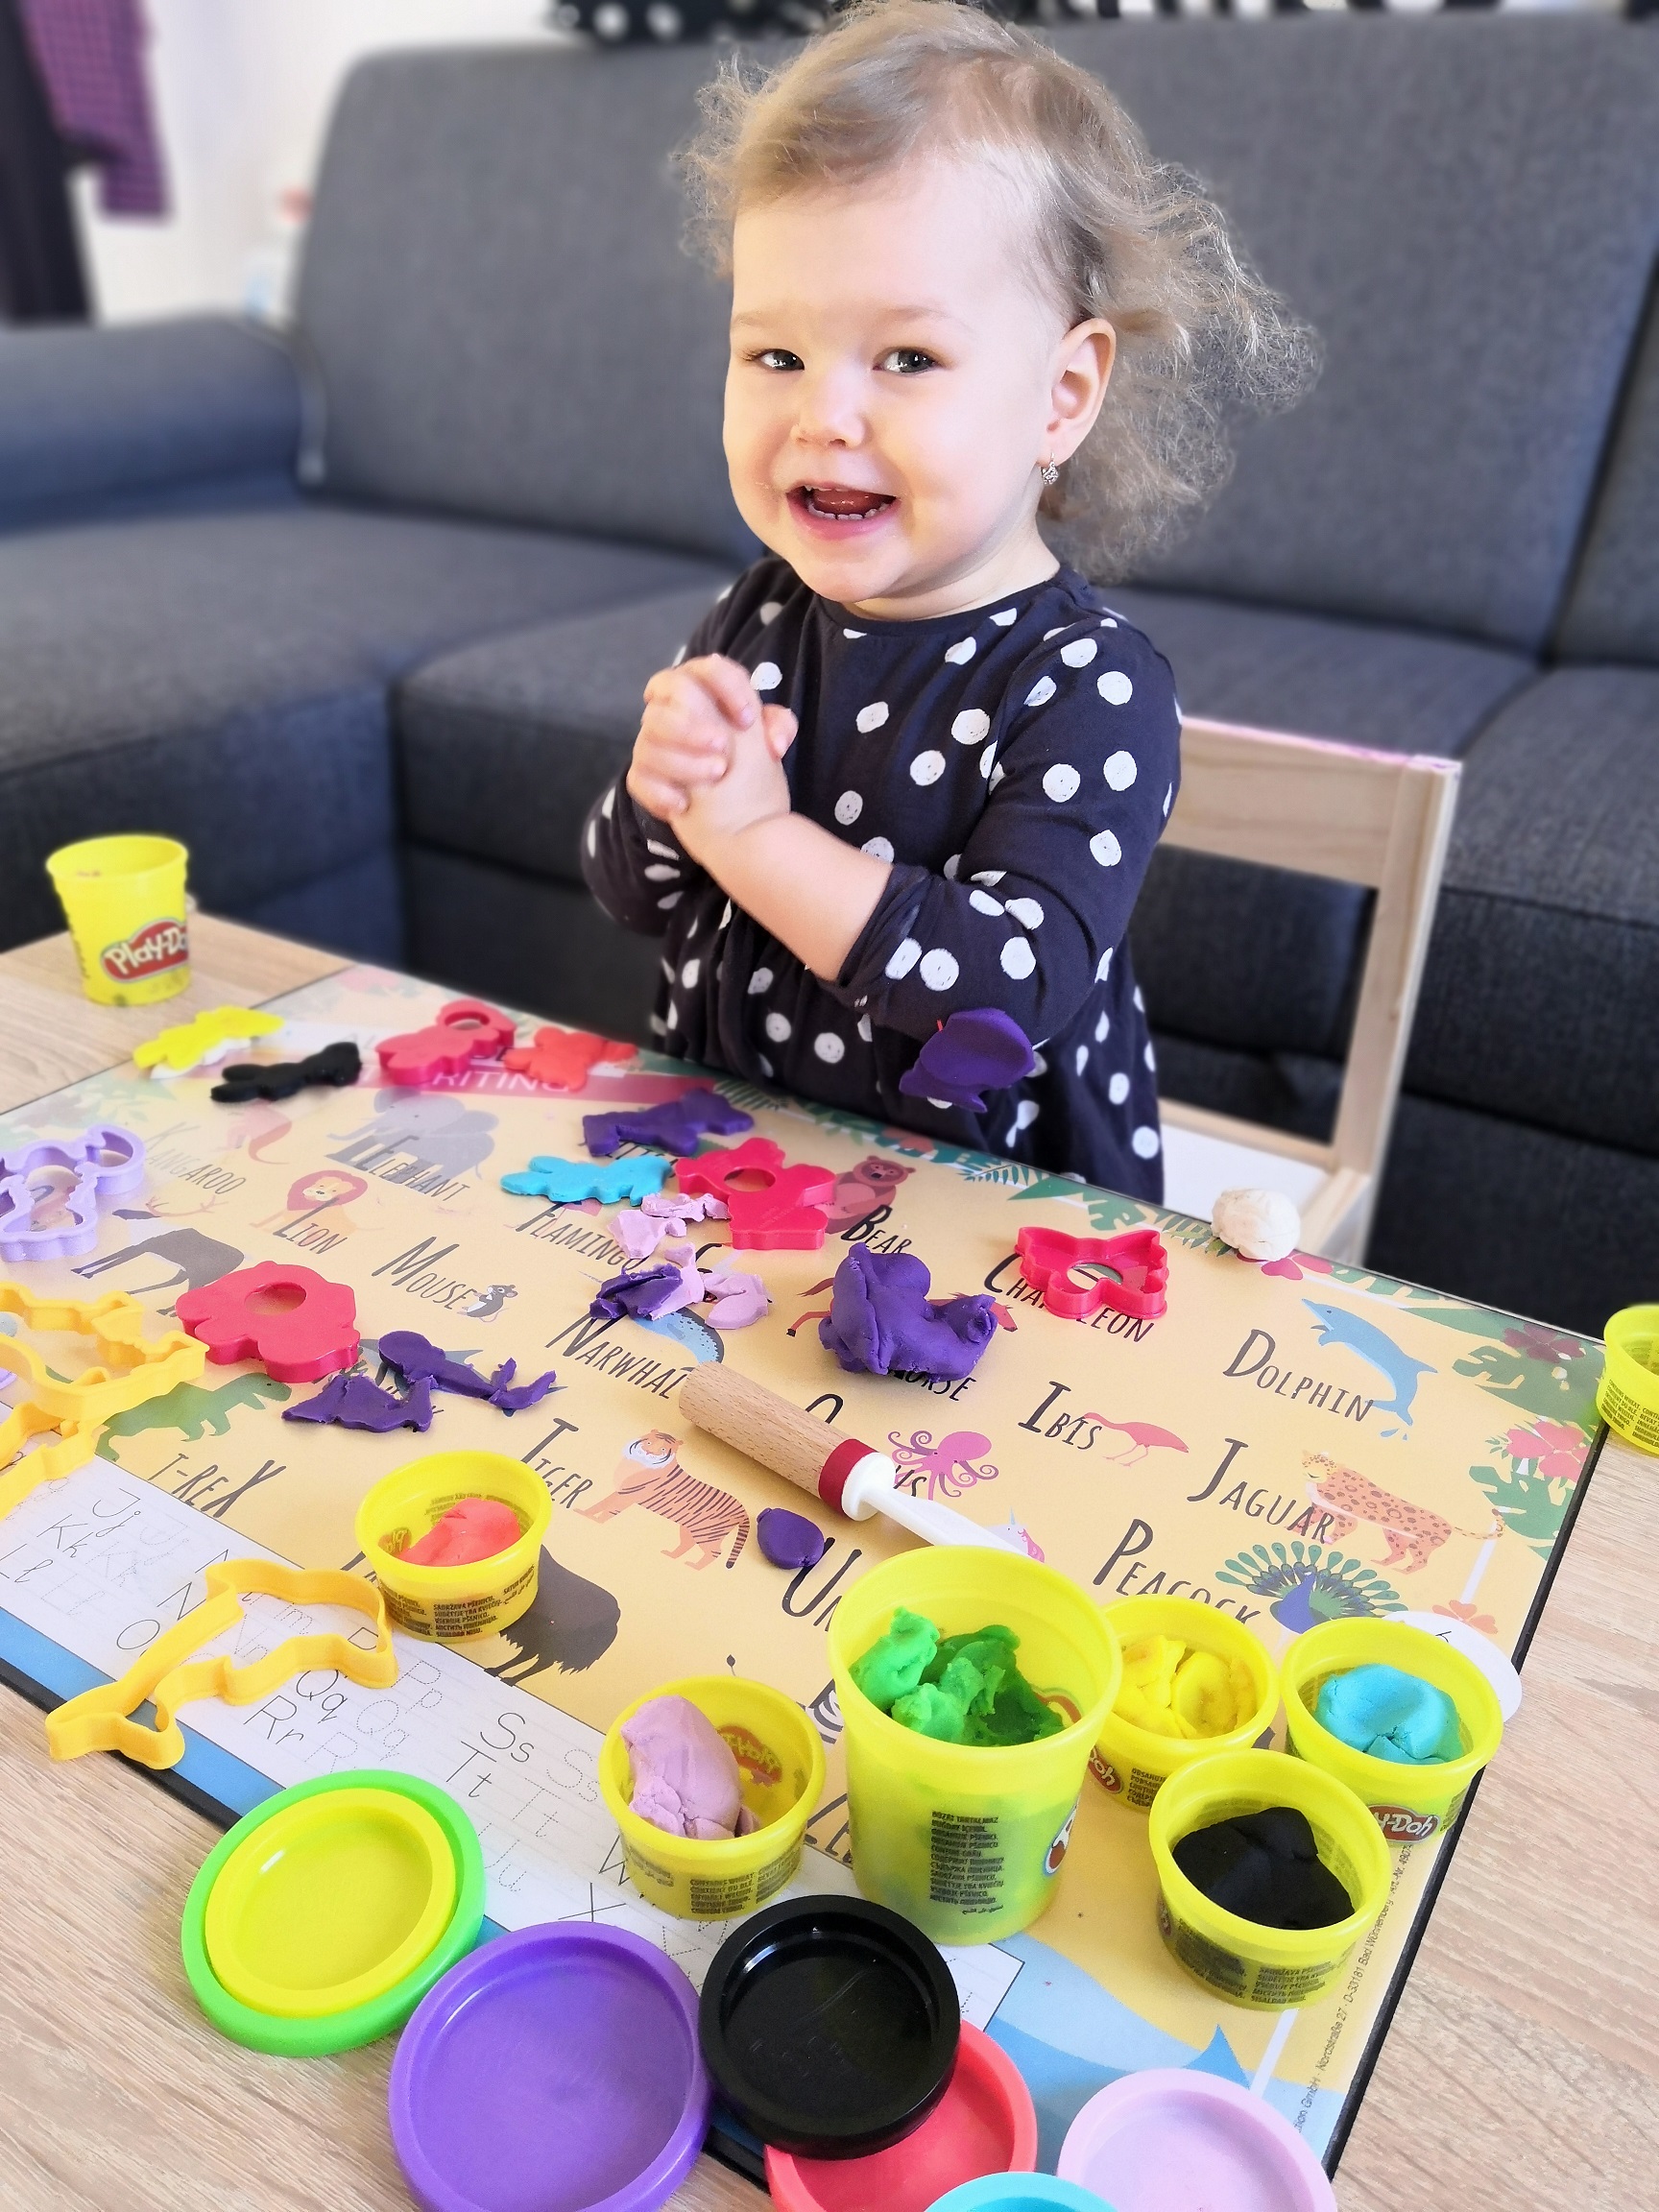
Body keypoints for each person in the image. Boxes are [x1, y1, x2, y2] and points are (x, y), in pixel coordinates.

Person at [583, 0, 1313, 1199]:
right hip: (738, 1176)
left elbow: (1007, 992)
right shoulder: (758, 614)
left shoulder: (1088, 686)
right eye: (776, 355)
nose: (824, 414)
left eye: (908, 358)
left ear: (1061, 396)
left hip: (987, 1223)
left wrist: (756, 839)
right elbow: (629, 892)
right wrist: (664, 795)